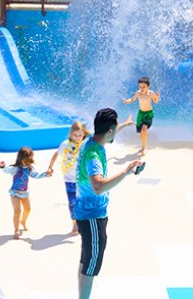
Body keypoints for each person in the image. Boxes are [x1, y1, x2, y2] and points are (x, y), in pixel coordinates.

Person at [75, 108, 140, 299]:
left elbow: (108, 134)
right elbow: (98, 186)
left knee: (86, 262)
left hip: (85, 214)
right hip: (93, 216)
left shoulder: (91, 142)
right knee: (90, 268)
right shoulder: (94, 156)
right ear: (109, 131)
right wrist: (126, 171)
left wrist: (124, 125)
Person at [47, 120, 91, 236]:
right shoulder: (65, 144)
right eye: (75, 135)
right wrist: (50, 167)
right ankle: (75, 223)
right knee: (72, 202)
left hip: (82, 178)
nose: (77, 137)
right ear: (71, 134)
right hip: (69, 179)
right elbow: (56, 155)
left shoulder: (85, 146)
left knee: (82, 201)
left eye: (80, 135)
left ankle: (84, 221)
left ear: (84, 135)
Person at [0, 146, 51, 239]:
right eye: (30, 157)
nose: (31, 159)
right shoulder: (15, 169)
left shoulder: (29, 169)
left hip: (25, 193)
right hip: (14, 192)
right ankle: (16, 230)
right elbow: (6, 169)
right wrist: (2, 166)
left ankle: (23, 221)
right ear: (24, 158)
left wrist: (45, 174)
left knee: (28, 210)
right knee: (17, 211)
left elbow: (36, 175)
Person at [123, 76, 160, 155]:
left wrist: (157, 97)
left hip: (149, 114)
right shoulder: (138, 93)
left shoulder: (151, 93)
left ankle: (143, 148)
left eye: (143, 87)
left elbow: (156, 101)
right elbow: (132, 100)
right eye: (140, 87)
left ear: (148, 86)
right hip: (141, 114)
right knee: (141, 132)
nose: (141, 88)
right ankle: (142, 146)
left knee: (144, 129)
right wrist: (127, 101)